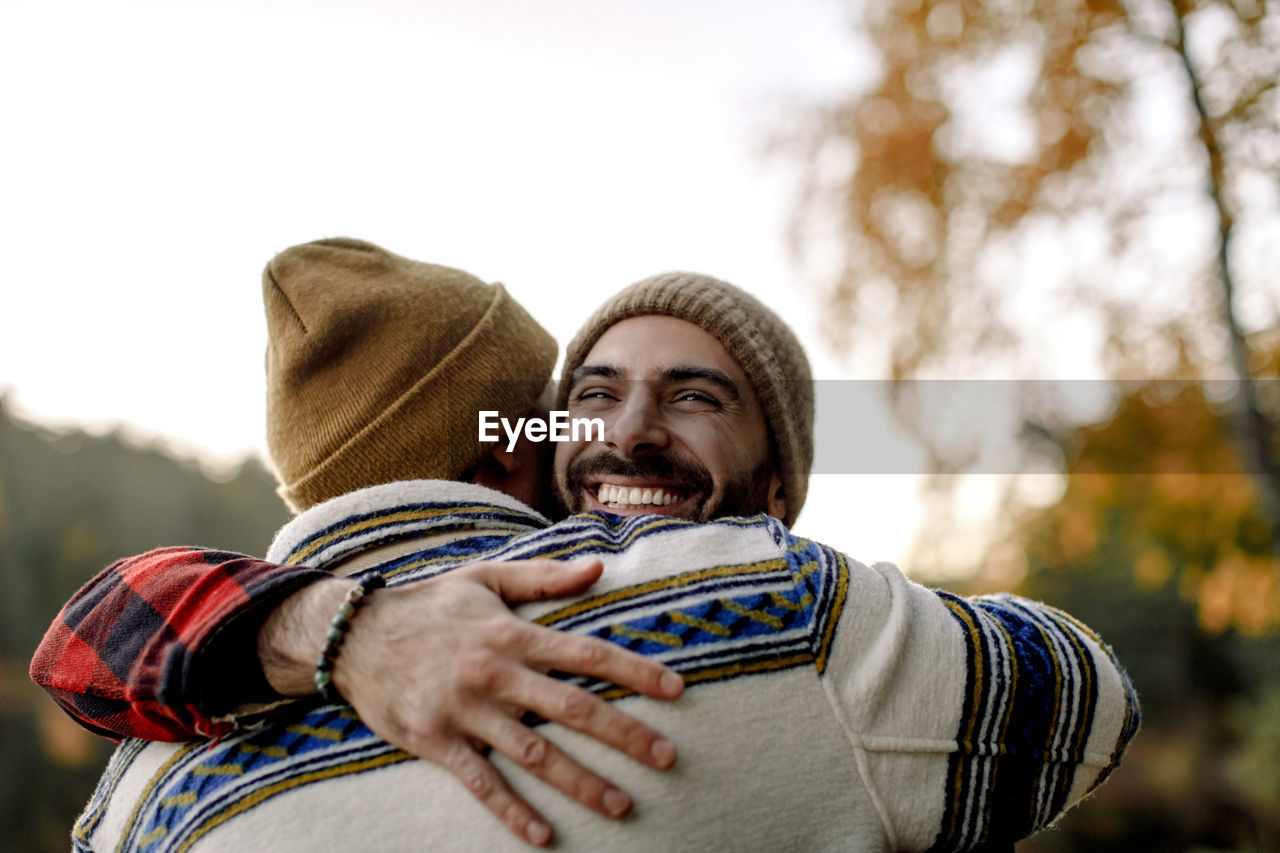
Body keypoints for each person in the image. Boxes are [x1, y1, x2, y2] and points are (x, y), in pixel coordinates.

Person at [40, 241, 1139, 850]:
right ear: (521, 444)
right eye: (589, 397)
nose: (624, 433)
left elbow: (75, 647)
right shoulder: (787, 619)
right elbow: (1084, 694)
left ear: (778, 478)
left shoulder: (144, 785)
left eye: (694, 395)